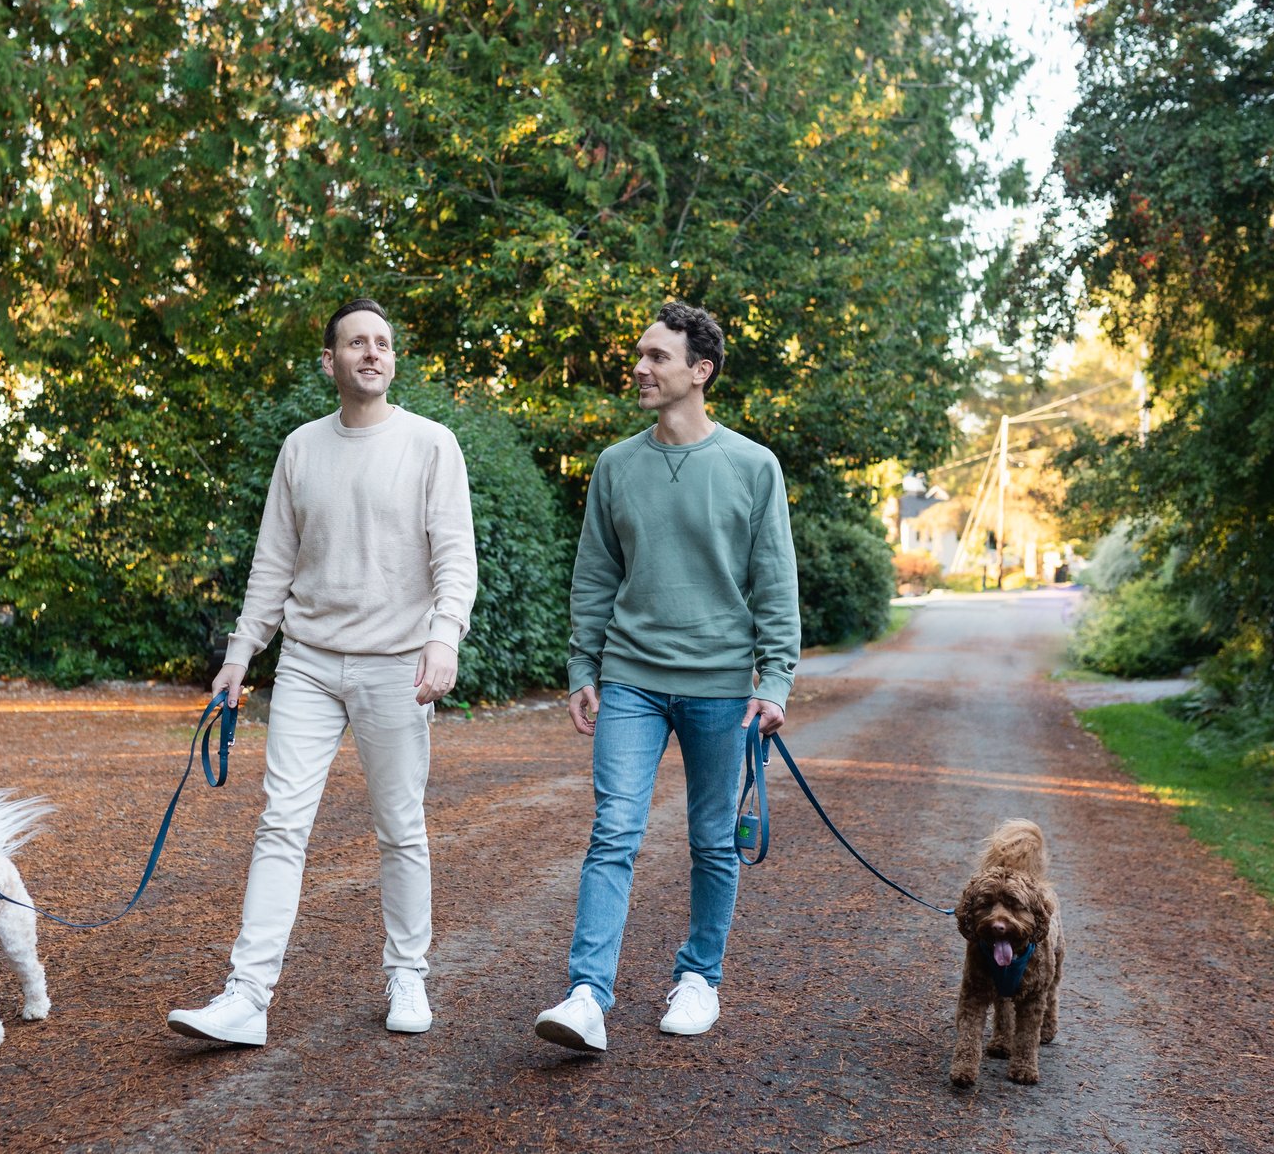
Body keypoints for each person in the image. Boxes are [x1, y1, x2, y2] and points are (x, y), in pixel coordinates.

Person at [167, 298, 478, 1047]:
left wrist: (444, 638)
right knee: (280, 823)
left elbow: (455, 557)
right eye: (357, 342)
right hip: (307, 663)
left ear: (392, 359)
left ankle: (407, 972)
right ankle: (248, 996)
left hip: (397, 665)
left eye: (383, 343)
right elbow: (273, 562)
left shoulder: (431, 444)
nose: (372, 353)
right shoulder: (301, 448)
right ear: (329, 361)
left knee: (399, 825)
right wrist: (240, 654)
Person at [533, 302, 800, 1052]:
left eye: (658, 356)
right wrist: (583, 665)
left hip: (721, 686)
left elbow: (776, 582)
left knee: (713, 840)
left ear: (700, 370)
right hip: (631, 678)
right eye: (640, 354)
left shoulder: (753, 466)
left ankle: (699, 978)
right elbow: (594, 575)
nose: (641, 367)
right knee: (613, 831)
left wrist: (775, 680)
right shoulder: (616, 465)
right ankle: (588, 995)